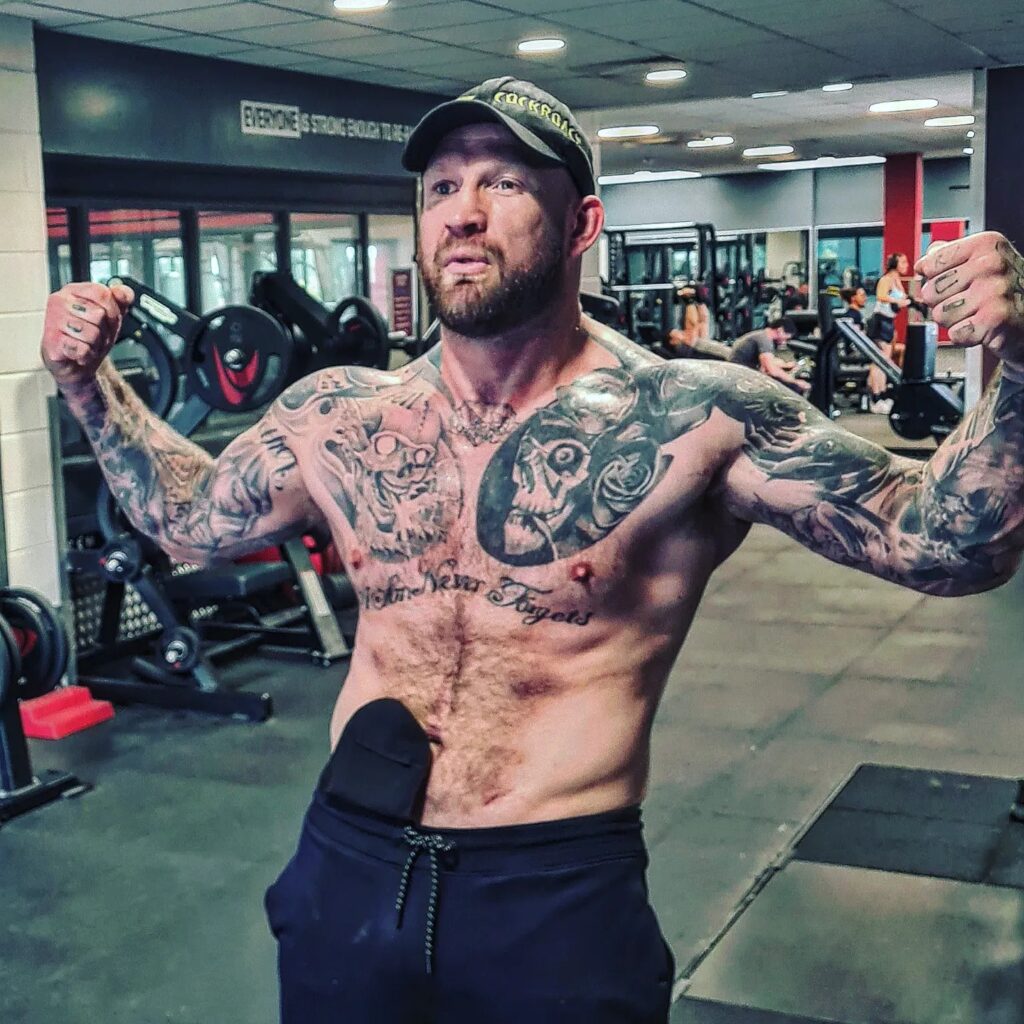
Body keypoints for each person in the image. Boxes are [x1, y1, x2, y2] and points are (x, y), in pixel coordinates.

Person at [41, 75, 1024, 1024]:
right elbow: (189, 519)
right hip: (350, 867)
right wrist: (87, 381)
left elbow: (945, 544)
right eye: (441, 188)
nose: (463, 213)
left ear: (581, 224)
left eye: (503, 182)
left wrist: (1019, 358)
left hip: (553, 895)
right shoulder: (335, 416)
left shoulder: (693, 419)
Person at [867, 252, 912, 413]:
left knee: (885, 361)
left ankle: (883, 395)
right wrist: (899, 301)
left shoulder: (897, 280)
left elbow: (902, 300)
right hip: (880, 321)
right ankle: (875, 398)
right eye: (903, 262)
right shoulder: (886, 279)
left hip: (889, 321)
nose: (906, 265)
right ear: (895, 264)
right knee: (878, 361)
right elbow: (881, 296)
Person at [728, 317, 810, 394]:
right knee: (794, 387)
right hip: (741, 376)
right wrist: (795, 381)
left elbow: (770, 360)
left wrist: (786, 365)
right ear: (780, 330)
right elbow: (771, 370)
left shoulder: (761, 335)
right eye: (785, 338)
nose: (784, 342)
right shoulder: (764, 340)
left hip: (742, 372)